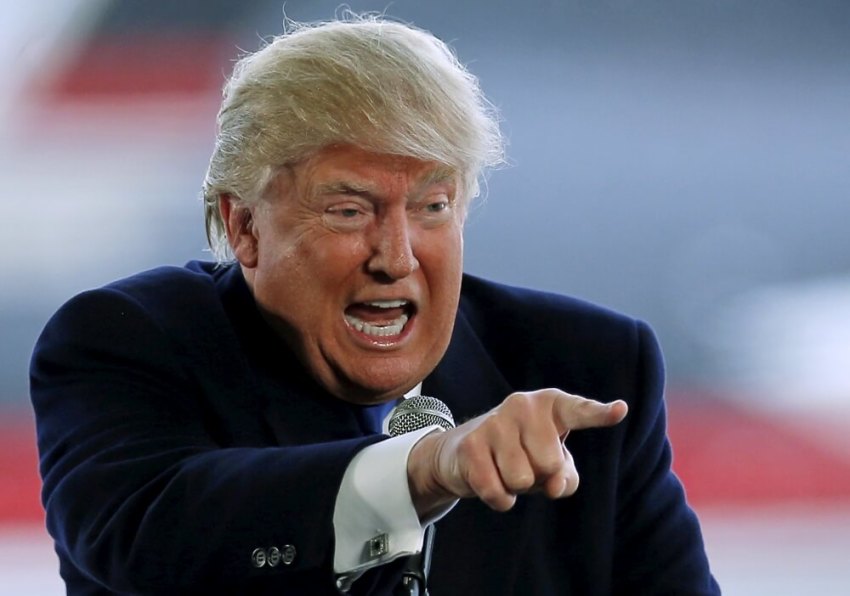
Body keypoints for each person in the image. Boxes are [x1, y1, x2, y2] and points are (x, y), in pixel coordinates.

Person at [30, 14, 719, 596]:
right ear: (243, 227)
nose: (396, 255)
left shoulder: (585, 368)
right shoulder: (126, 340)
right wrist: (422, 468)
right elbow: (148, 530)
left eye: (433, 207)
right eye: (349, 209)